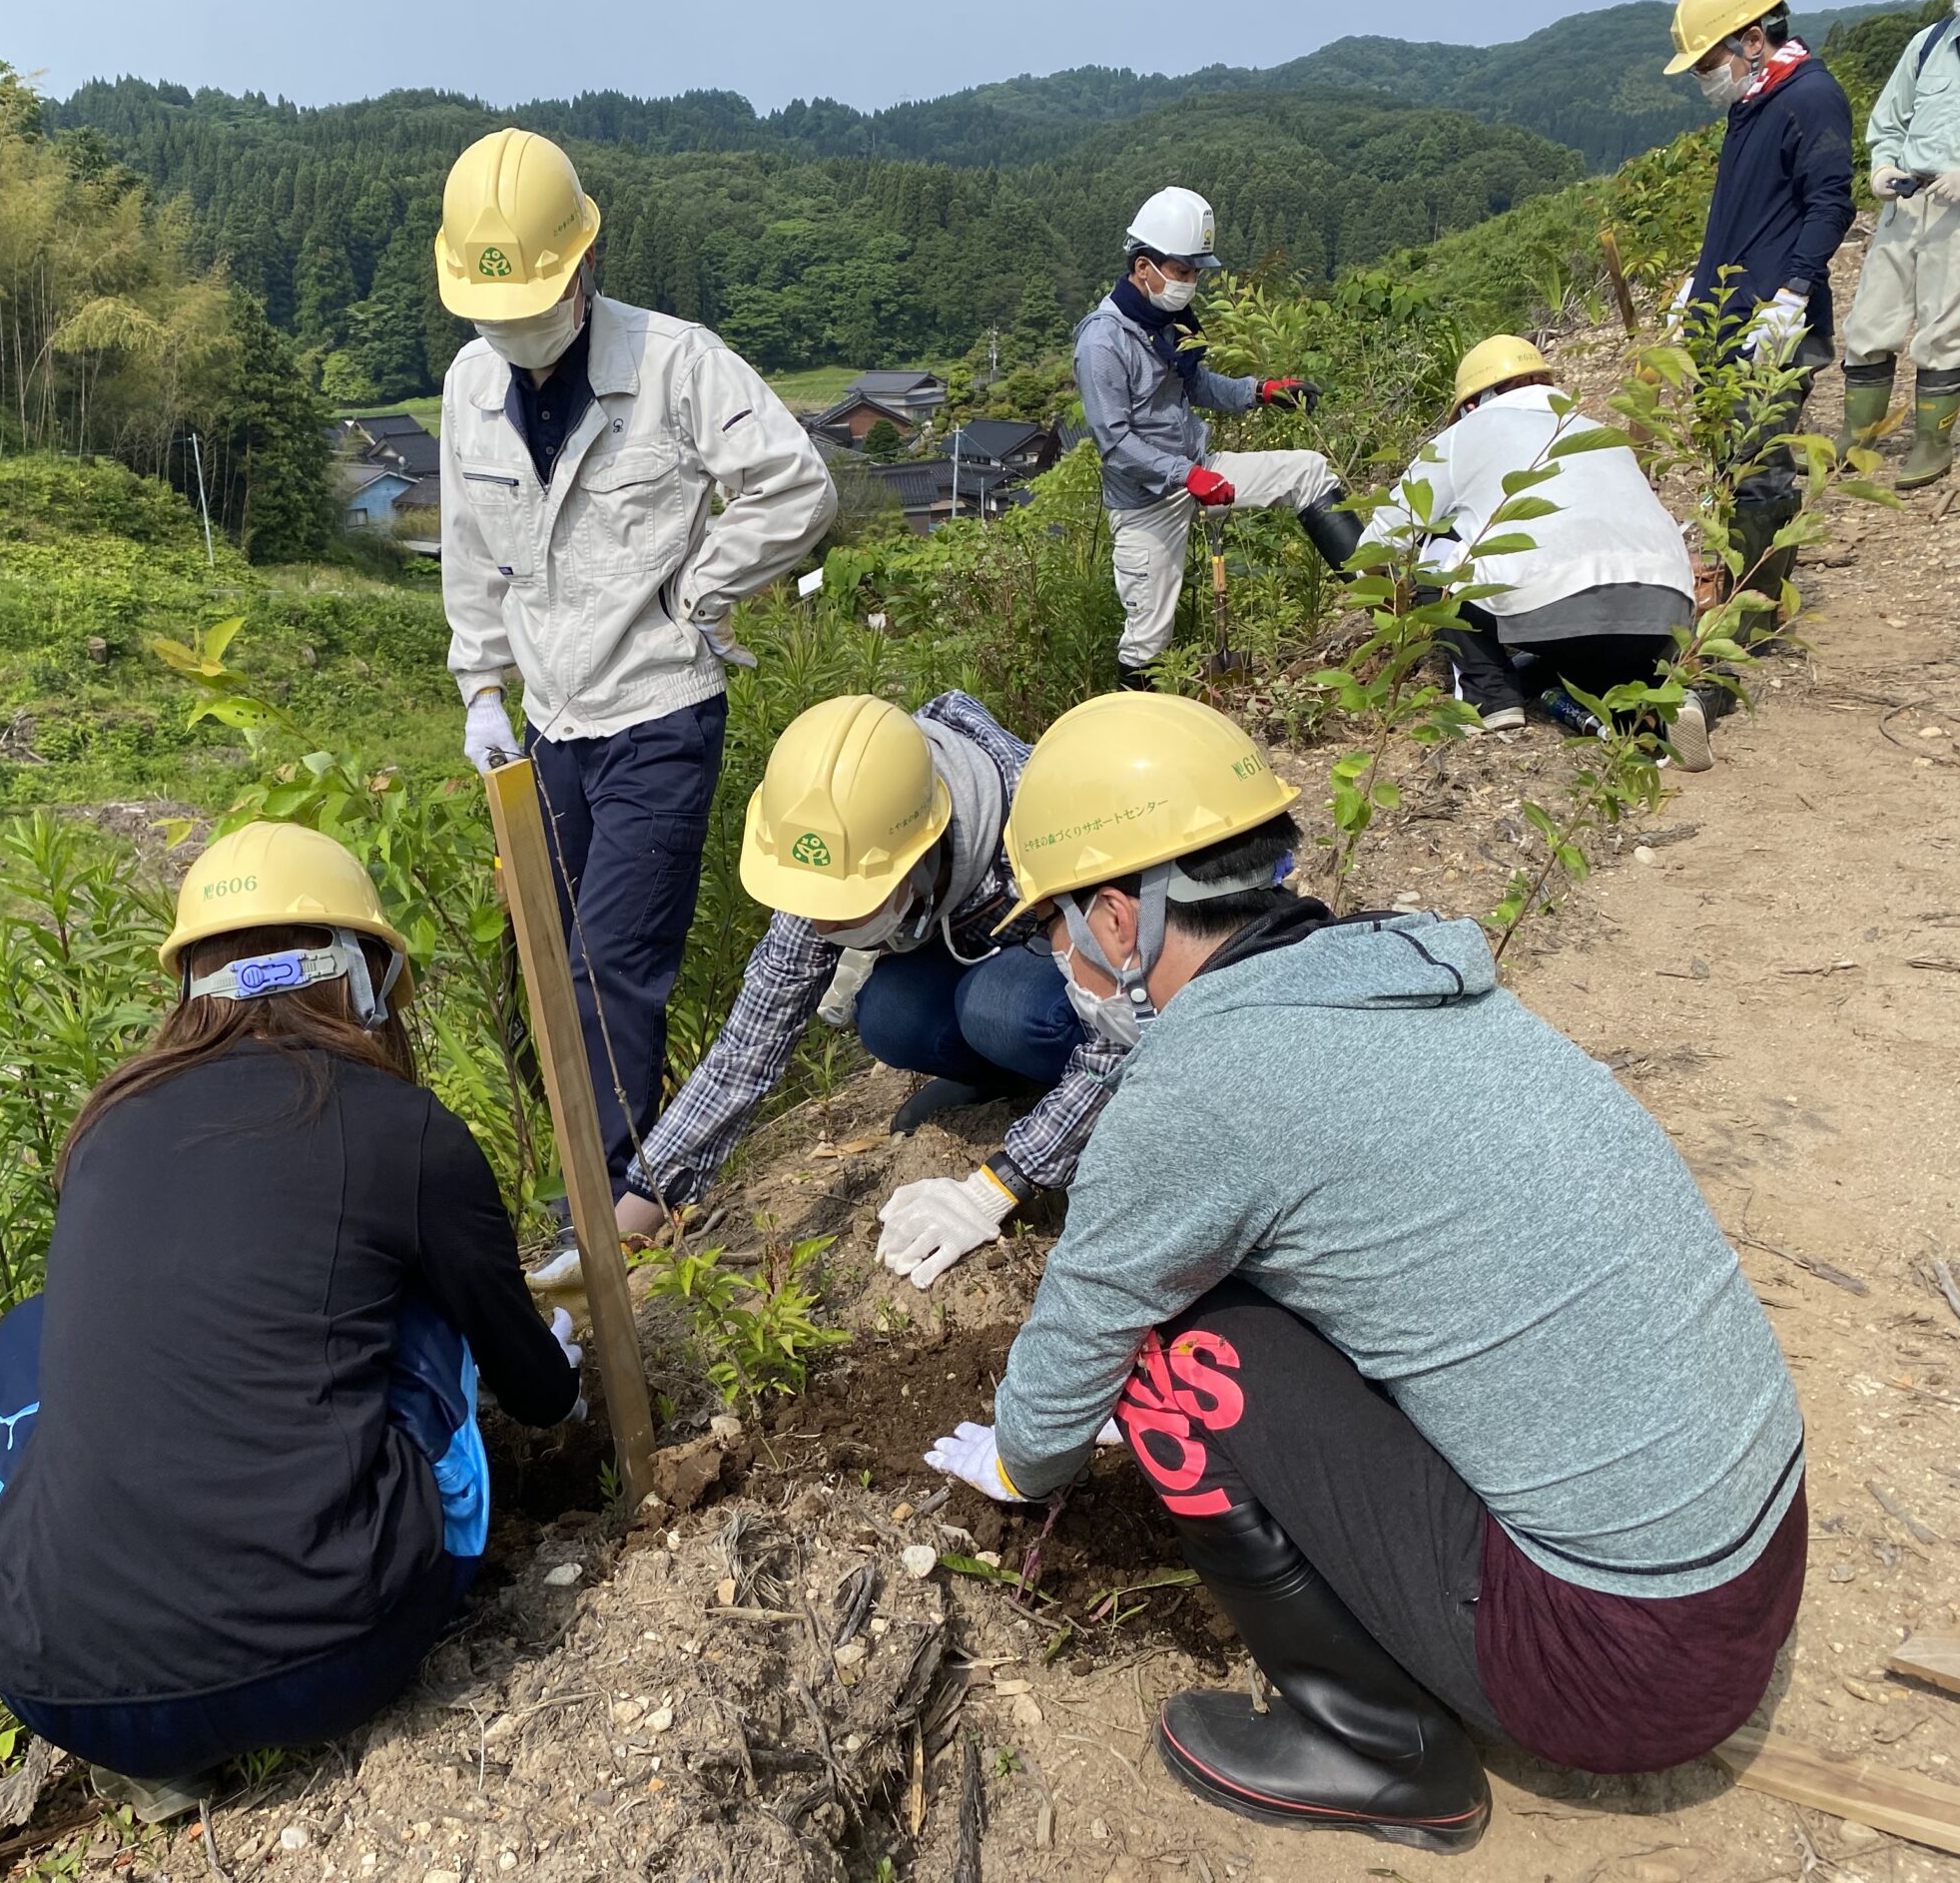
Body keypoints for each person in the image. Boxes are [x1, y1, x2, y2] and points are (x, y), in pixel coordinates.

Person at [924, 694, 1807, 1852]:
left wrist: (1022, 1461)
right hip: (1749, 1555)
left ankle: (1377, 1748)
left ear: (1114, 917)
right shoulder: (1402, 972)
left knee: (1171, 1340)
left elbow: (1076, 1348)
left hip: (1618, 1664)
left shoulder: (1203, 1086)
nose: (1060, 962)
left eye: (1052, 929)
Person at [0, 821, 582, 1804]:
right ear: (363, 976)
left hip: (61, 1688)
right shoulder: (404, 1131)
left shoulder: (106, 1127)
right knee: (426, 1312)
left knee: (32, 1339)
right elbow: (540, 1398)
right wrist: (560, 1352)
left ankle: (147, 1719)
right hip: (335, 1654)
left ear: (189, 986)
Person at [436, 127, 837, 1201]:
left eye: (528, 307)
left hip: (659, 710)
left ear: (583, 268)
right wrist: (480, 688)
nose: (511, 332)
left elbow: (796, 488)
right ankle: (596, 1172)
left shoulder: (673, 364)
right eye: (492, 314)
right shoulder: (467, 387)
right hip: (547, 723)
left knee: (613, 969)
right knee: (549, 972)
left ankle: (602, 1215)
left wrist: (699, 589)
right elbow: (474, 552)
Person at [615, 692, 1136, 1289]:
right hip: (972, 956)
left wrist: (1003, 1182)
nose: (822, 926)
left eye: (847, 906)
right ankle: (1002, 1083)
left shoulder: (1040, 827)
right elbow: (747, 1048)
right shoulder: (838, 850)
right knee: (890, 1014)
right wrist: (633, 1214)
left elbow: (1128, 1019)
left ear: (921, 853)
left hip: (1060, 986)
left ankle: (1073, 1100)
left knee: (1001, 1008)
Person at [1381, 335, 1712, 771]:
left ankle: (1490, 697)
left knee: (1433, 545)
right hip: (1662, 607)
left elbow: (1384, 537)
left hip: (1550, 607)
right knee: (1596, 656)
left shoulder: (1463, 436)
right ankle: (1662, 697)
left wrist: (1390, 608)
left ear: (1471, 403)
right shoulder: (1598, 431)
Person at [1073, 185, 1362, 680]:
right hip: (1146, 503)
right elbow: (1115, 443)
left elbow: (1196, 383)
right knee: (1148, 640)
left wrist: (1260, 391)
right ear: (1144, 266)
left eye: (1194, 273)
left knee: (1308, 471)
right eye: (1181, 272)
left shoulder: (1165, 322)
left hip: (1199, 470)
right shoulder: (1102, 342)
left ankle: (1380, 597)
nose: (1190, 283)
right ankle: (1127, 740)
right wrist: (1186, 477)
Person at [1664, 0, 1855, 624]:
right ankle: (1740, 597)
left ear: (1751, 40)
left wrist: (1792, 294)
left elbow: (1829, 204)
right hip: (1728, 320)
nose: (1703, 76)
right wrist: (1700, 278)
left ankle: (1748, 619)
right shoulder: (1754, 104)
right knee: (1731, 465)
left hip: (1775, 323)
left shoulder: (1810, 97)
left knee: (1758, 473)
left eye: (1707, 60)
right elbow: (1741, 211)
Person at [1840, 0, 1960, 489]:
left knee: (1943, 331)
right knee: (1870, 319)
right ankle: (1857, 434)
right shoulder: (1928, 43)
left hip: (1957, 212)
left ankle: (1932, 441)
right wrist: (1880, 167)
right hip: (1906, 201)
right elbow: (1888, 120)